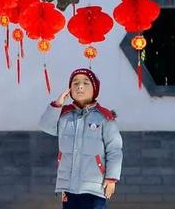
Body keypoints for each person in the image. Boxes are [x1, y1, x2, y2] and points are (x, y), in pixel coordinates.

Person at [40, 68, 123, 209]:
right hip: (68, 186)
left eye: (86, 83)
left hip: (95, 186)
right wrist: (57, 104)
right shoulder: (64, 115)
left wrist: (111, 178)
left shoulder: (104, 117)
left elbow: (114, 149)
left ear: (95, 90)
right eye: (75, 83)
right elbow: (46, 126)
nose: (79, 86)